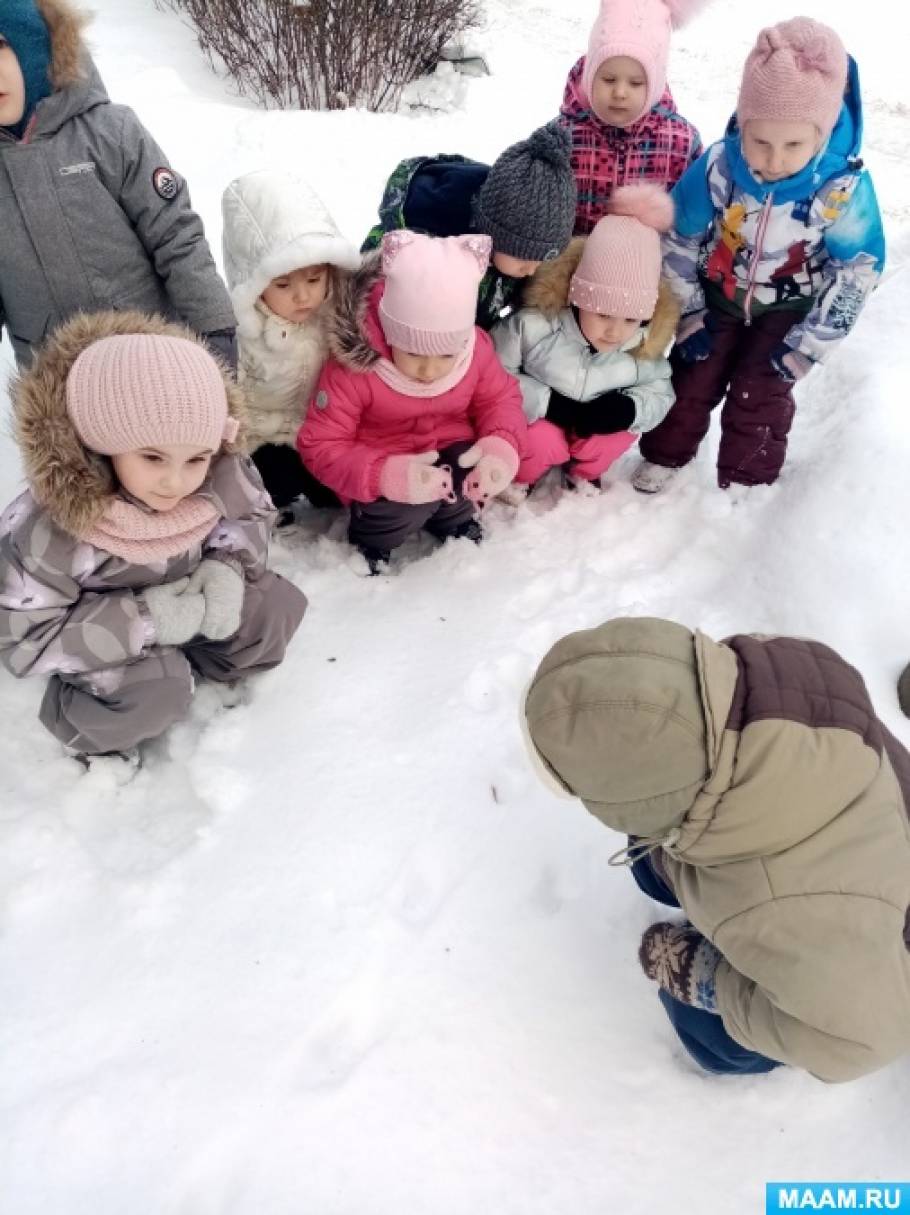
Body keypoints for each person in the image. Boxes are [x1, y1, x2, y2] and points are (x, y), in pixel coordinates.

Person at [524, 616, 910, 1081]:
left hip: (877, 946)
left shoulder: (782, 907)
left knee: (712, 1040)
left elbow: (863, 1040)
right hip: (857, 820)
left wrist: (711, 982)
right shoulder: (773, 678)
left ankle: (724, 1006)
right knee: (652, 856)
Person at [0, 312, 307, 762]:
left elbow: (250, 515)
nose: (176, 482)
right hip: (105, 631)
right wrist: (145, 621)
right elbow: (23, 636)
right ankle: (88, 725)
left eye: (196, 459)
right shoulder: (57, 527)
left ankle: (208, 665)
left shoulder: (218, 469)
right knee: (154, 693)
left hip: (189, 599)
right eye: (152, 457)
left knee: (271, 608)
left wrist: (226, 567)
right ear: (102, 443)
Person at [633, 17, 885, 493]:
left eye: (794, 145)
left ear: (822, 135)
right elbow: (681, 235)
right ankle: (665, 454)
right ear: (742, 126)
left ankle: (748, 480)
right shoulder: (720, 167)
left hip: (789, 311)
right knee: (692, 377)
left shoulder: (839, 190)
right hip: (717, 295)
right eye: (760, 141)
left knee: (760, 391)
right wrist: (686, 312)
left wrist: (808, 345)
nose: (773, 159)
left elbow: (856, 270)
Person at [0, 0, 236, 369]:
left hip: (150, 356)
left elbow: (175, 236)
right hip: (55, 383)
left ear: (37, 47)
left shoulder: (111, 132)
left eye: (0, 45)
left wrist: (215, 327)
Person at [297, 232, 527, 572]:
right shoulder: (358, 366)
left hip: (450, 450)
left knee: (467, 477)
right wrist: (382, 475)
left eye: (446, 355)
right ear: (390, 334)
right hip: (384, 464)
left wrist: (501, 446)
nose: (429, 370)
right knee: (405, 507)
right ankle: (373, 539)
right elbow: (322, 443)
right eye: (414, 353)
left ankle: (454, 520)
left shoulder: (474, 350)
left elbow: (499, 399)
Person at [492, 183, 677, 492]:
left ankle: (583, 473)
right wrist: (547, 403)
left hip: (594, 426)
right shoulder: (535, 326)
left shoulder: (641, 347)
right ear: (577, 300)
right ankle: (521, 476)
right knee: (538, 440)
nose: (615, 332)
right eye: (603, 315)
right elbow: (494, 374)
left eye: (630, 319)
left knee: (616, 436)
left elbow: (661, 394)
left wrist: (628, 409)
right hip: (542, 420)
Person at [221, 170, 360, 510]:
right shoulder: (240, 332)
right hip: (260, 439)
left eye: (314, 279)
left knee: (340, 493)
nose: (303, 296)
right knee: (273, 488)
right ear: (255, 283)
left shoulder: (336, 317)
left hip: (319, 434)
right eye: (283, 285)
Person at [360, 122, 577, 331]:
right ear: (494, 236)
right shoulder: (425, 249)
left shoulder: (509, 266)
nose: (532, 270)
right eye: (524, 258)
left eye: (541, 259)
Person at [558, 0, 703, 235]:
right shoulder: (564, 137)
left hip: (648, 266)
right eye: (608, 79)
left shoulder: (681, 144)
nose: (620, 93)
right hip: (575, 265)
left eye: (636, 83)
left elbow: (690, 221)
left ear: (655, 83)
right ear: (590, 74)